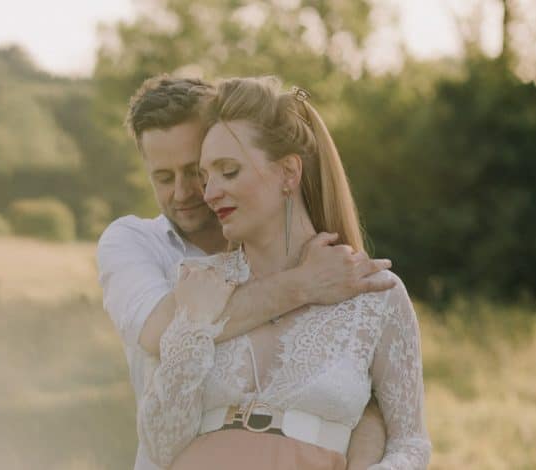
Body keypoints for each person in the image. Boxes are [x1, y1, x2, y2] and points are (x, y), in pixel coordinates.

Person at [97, 75, 395, 470]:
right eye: (164, 178)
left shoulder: (297, 252)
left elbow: (364, 396)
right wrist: (305, 284)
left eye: (195, 171)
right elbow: (159, 332)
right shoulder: (132, 241)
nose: (185, 192)